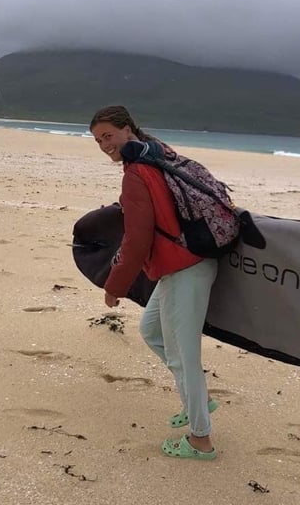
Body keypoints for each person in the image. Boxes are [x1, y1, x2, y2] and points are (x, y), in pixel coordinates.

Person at [89, 105, 219, 460]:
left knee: (183, 357)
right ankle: (200, 402)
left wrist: (115, 286)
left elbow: (137, 239)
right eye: (98, 140)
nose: (104, 145)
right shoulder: (157, 151)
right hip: (184, 262)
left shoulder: (137, 172)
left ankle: (200, 440)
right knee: (152, 331)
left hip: (185, 267)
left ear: (127, 129)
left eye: (109, 136)